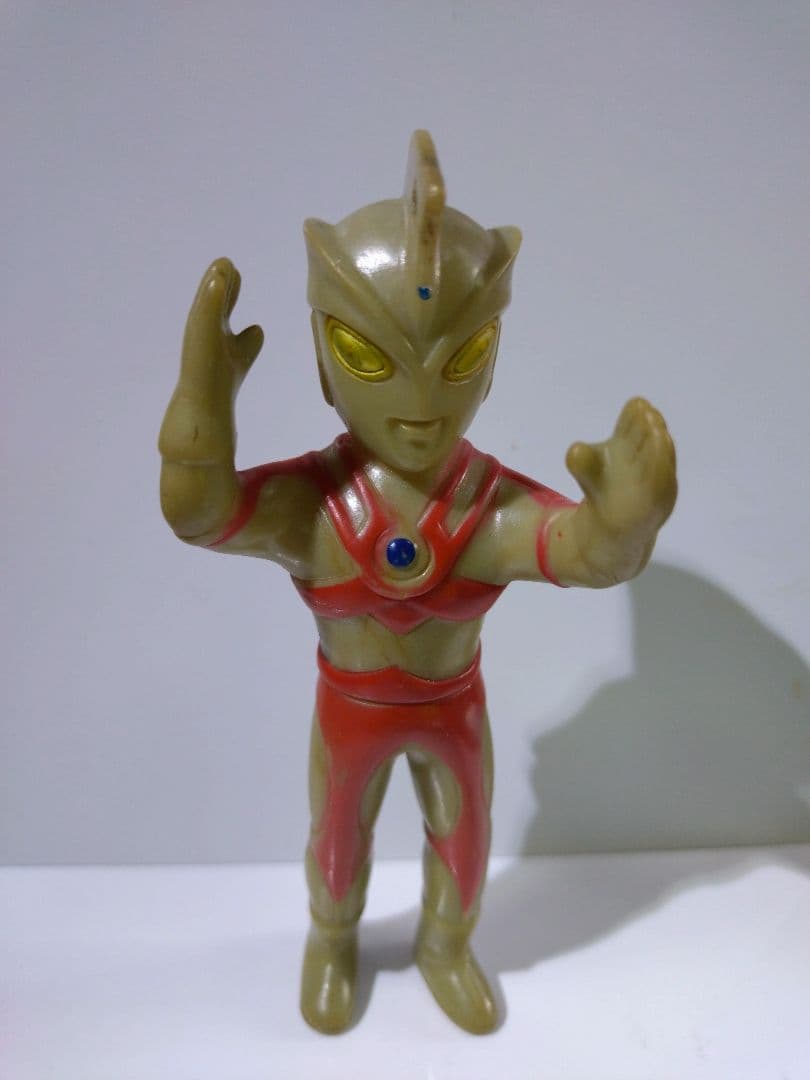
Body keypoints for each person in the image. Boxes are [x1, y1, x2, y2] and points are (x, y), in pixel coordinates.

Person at [158, 131, 676, 1034]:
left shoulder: (487, 507)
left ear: (493, 358)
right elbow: (199, 512)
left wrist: (625, 527)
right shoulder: (315, 505)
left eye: (460, 359)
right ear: (323, 358)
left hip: (451, 706)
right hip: (350, 708)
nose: (420, 402)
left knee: (463, 837)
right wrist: (201, 403)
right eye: (371, 358)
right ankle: (332, 939)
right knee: (336, 840)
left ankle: (445, 944)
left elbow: (580, 552)